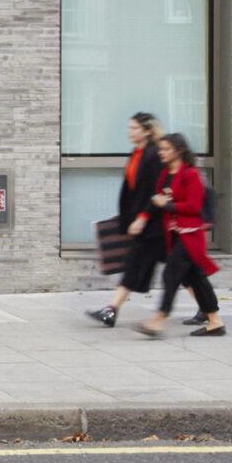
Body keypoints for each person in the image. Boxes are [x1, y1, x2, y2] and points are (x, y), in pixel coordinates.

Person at [138, 133, 223, 338]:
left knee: (171, 274)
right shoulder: (166, 174)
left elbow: (194, 206)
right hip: (175, 234)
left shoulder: (191, 174)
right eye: (161, 149)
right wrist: (142, 217)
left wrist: (167, 205)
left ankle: (159, 319)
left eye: (166, 149)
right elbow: (158, 199)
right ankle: (215, 322)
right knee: (195, 277)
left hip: (190, 234)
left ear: (178, 151)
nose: (162, 152)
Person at [88, 112, 166, 327]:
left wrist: (141, 218)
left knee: (135, 265)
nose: (129, 132)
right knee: (185, 271)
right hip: (142, 221)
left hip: (153, 223)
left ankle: (111, 310)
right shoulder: (137, 153)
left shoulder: (153, 154)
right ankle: (208, 310)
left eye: (134, 128)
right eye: (129, 127)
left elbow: (154, 191)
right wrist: (126, 215)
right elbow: (133, 190)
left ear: (148, 130)